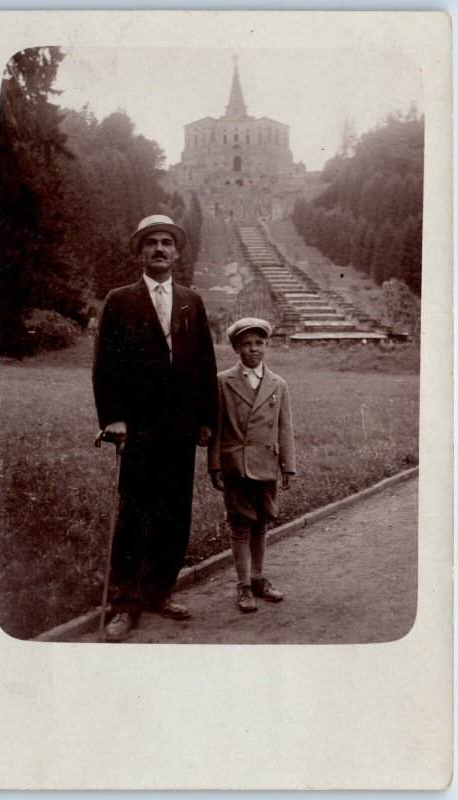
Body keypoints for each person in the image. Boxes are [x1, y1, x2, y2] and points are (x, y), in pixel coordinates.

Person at [93, 214, 218, 642]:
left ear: (177, 252)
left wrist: (206, 419)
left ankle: (160, 591)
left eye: (167, 242)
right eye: (151, 243)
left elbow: (205, 363)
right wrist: (113, 417)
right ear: (140, 252)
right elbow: (105, 366)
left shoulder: (192, 301)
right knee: (134, 512)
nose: (159, 249)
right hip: (139, 425)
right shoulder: (119, 300)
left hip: (181, 426)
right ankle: (125, 603)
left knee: (174, 510)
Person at [208, 318, 296, 613]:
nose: (253, 349)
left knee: (261, 522)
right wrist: (214, 465)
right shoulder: (223, 381)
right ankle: (243, 585)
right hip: (236, 464)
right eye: (246, 344)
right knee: (240, 523)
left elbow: (285, 429)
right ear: (235, 347)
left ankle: (258, 578)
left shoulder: (278, 383)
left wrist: (288, 466)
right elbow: (217, 427)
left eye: (259, 343)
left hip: (266, 464)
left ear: (267, 345)